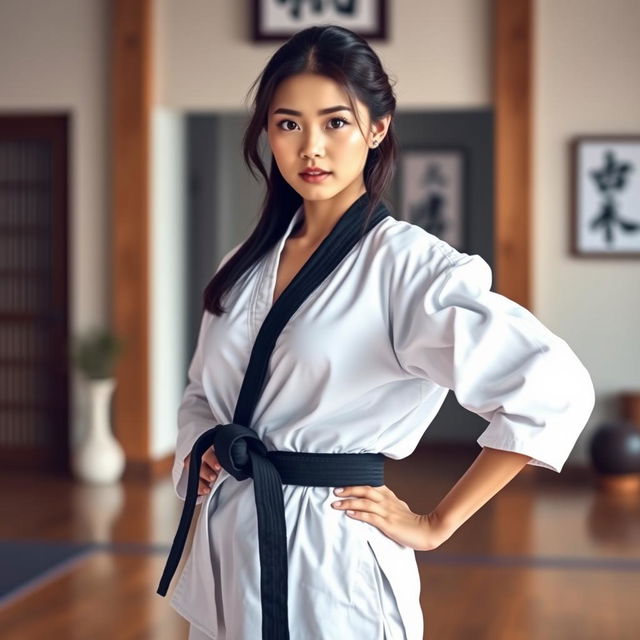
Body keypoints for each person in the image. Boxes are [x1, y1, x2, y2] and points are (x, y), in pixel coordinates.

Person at [164, 25, 595, 640]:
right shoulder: (244, 264)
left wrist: (436, 522)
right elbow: (202, 393)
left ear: (376, 128)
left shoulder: (407, 266)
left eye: (335, 122)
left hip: (333, 551)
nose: (311, 147)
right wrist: (203, 443)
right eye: (288, 124)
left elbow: (552, 386)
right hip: (231, 541)